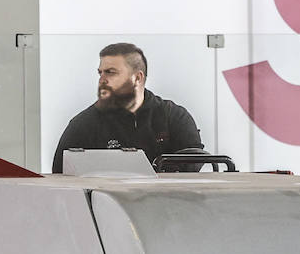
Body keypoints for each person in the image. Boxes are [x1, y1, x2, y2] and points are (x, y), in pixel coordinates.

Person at [51, 42, 203, 173]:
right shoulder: (84, 124)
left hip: (167, 203)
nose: (102, 80)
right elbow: (61, 174)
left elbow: (194, 161)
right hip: (105, 205)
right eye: (100, 73)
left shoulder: (173, 116)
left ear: (137, 78)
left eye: (111, 73)